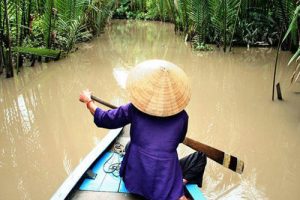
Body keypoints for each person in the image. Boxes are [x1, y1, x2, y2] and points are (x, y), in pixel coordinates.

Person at [79, 60, 206, 200]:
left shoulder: (134, 109)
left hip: (135, 181)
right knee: (200, 157)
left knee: (131, 146)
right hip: (164, 183)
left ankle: (176, 184)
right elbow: (179, 140)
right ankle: (179, 185)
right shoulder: (182, 117)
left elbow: (104, 118)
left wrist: (88, 102)